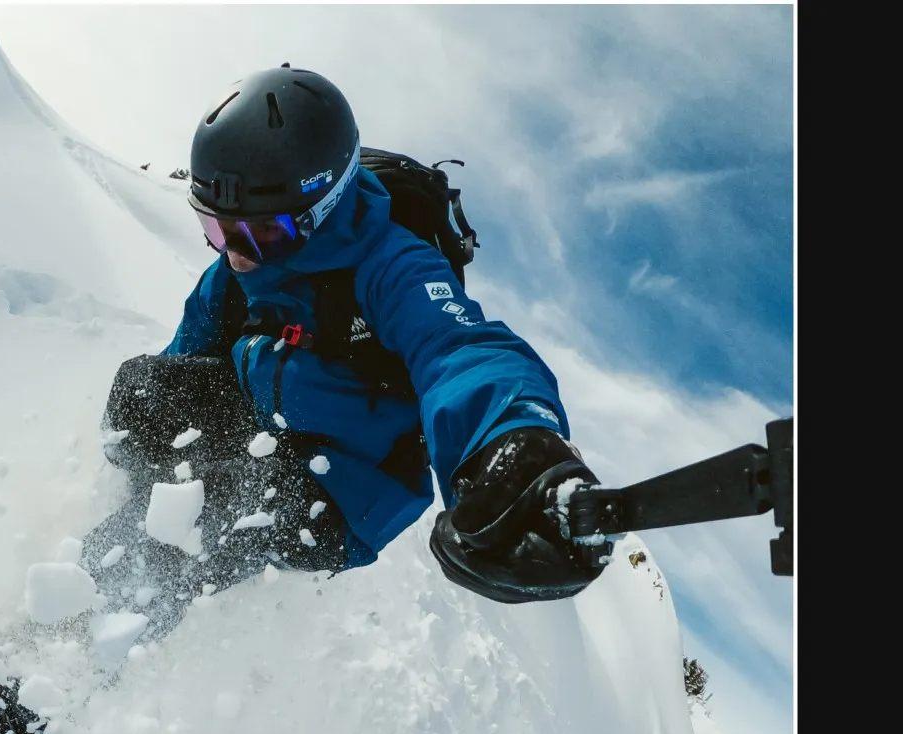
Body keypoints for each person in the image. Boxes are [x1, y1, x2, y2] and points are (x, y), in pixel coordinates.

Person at [79, 64, 607, 639]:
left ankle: (71, 651)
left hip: (346, 487)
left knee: (208, 514)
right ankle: (104, 555)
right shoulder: (232, 274)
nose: (235, 254)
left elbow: (461, 351)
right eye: (216, 228)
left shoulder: (394, 266)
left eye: (262, 232)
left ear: (323, 206)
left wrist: (512, 446)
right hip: (271, 423)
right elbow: (180, 369)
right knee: (144, 394)